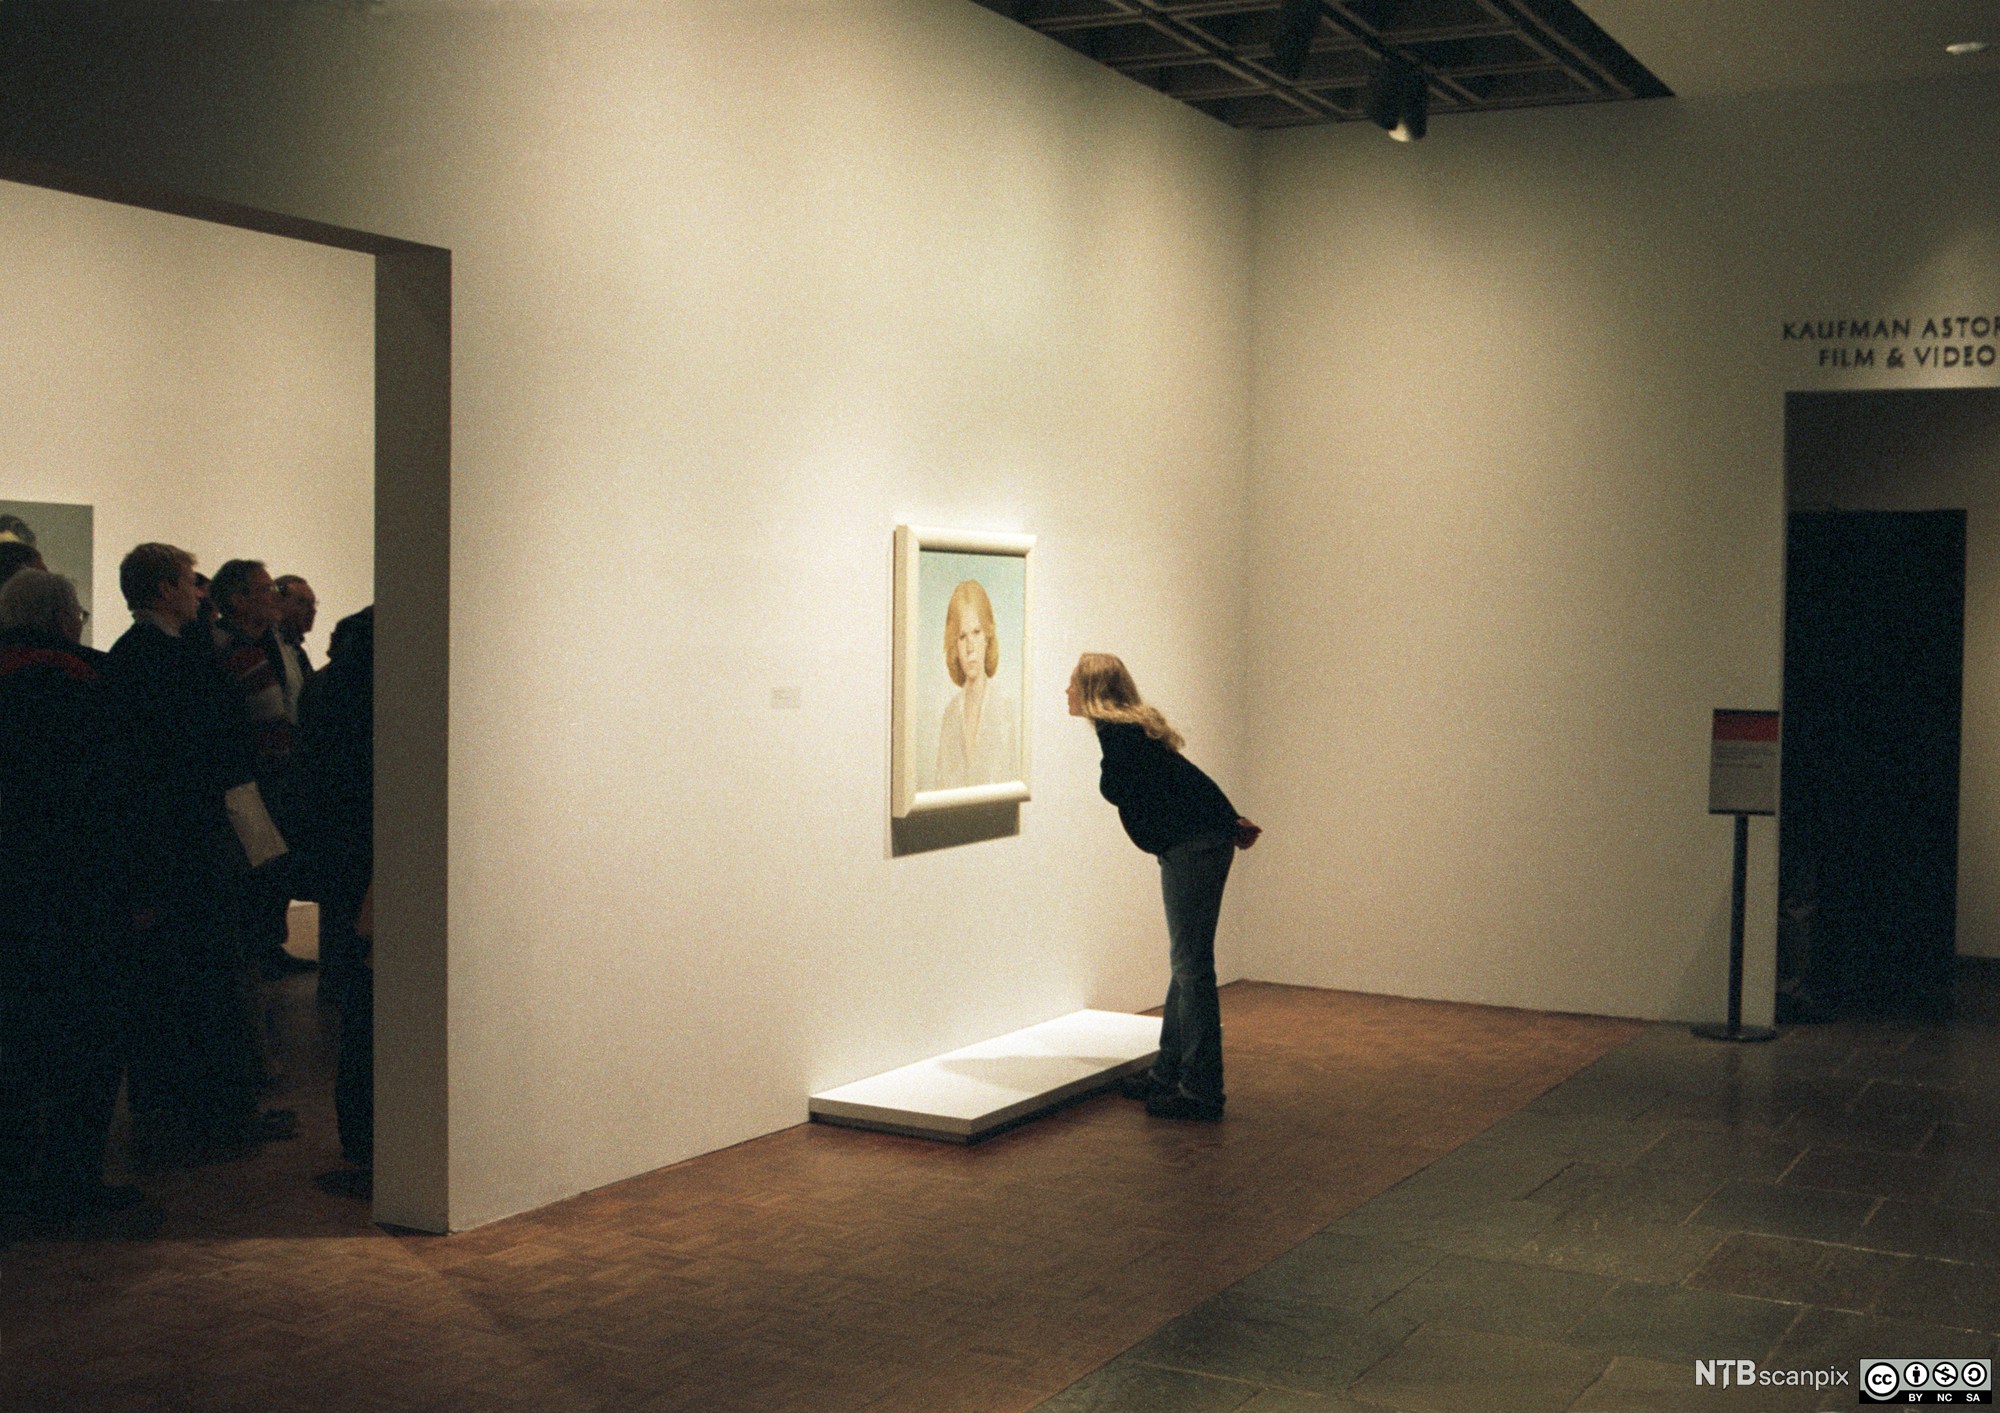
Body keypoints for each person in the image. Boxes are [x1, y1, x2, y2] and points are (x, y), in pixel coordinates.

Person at [0, 570, 142, 1219]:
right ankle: (70, 1183)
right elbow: (119, 798)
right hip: (78, 897)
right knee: (84, 1044)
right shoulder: (87, 682)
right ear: (63, 616)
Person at [1068, 653, 1260, 1122]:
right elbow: (1184, 780)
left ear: (1092, 691)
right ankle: (1168, 1072)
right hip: (1193, 844)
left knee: (1192, 966)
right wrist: (1228, 817)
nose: (1066, 691)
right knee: (1186, 962)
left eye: (1072, 683)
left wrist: (1225, 819)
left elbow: (1180, 783)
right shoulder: (1128, 733)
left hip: (1192, 847)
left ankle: (1201, 1091)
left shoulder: (1123, 737)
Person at [934, 579, 1016, 789]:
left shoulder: (1003, 704)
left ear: (988, 637)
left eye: (977, 633)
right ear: (954, 645)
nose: (970, 646)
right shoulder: (950, 714)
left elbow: (1010, 783)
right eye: (962, 637)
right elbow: (941, 787)